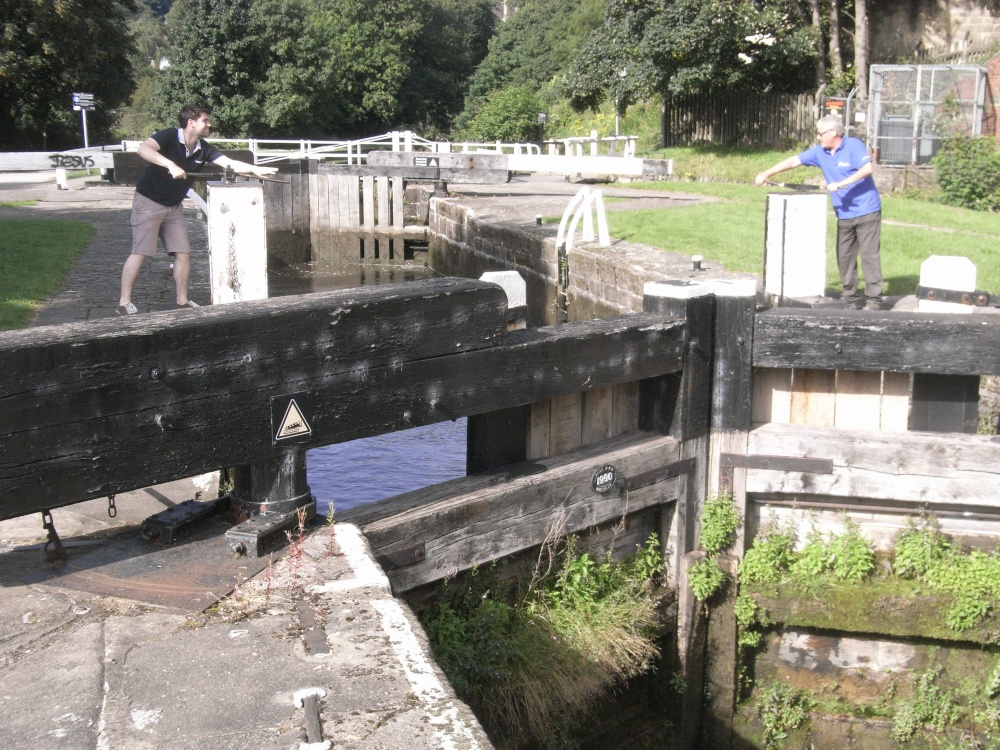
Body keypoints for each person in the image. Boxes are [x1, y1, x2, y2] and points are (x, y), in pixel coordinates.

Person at [117, 104, 277, 315]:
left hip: (173, 207)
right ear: (191, 123)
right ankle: (124, 303)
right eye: (205, 120)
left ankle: (182, 301)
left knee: (183, 253)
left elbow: (229, 163)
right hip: (149, 203)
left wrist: (257, 170)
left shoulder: (204, 148)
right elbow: (143, 149)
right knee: (140, 252)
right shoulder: (168, 136)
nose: (209, 124)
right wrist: (170, 165)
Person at [754, 114, 884, 311]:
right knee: (844, 258)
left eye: (820, 133)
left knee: (869, 256)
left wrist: (840, 184)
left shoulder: (853, 145)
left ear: (833, 132)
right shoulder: (820, 152)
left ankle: (874, 300)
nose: (818, 137)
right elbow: (792, 161)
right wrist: (766, 173)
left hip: (867, 211)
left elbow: (868, 168)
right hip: (844, 214)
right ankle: (852, 299)